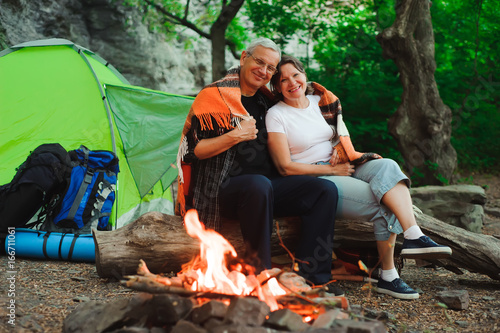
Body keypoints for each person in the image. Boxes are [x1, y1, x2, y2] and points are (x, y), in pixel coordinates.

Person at [266, 55, 452, 300]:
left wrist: (339, 148)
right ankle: (389, 275)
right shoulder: (276, 115)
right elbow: (284, 167)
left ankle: (413, 234)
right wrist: (331, 170)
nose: (292, 83)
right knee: (384, 202)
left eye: (295, 75)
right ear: (277, 87)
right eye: (283, 80)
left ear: (305, 75)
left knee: (388, 167)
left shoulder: (321, 101)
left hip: (344, 164)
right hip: (316, 179)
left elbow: (341, 135)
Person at [176, 38, 343, 295]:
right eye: (259, 62)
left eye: (270, 68)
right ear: (244, 58)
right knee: (258, 184)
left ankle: (313, 279)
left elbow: (305, 106)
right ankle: (260, 276)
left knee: (323, 190)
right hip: (221, 190)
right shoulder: (214, 96)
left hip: (266, 188)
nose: (264, 71)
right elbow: (193, 150)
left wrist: (337, 143)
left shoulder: (267, 101)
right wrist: (235, 135)